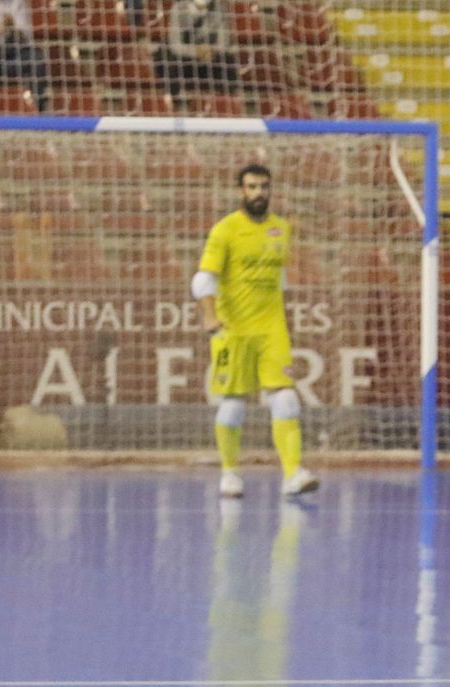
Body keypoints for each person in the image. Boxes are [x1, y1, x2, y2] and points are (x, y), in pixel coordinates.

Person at [193, 163, 319, 499]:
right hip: (233, 331)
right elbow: (204, 278)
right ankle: (230, 474)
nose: (258, 193)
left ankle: (293, 474)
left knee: (287, 399)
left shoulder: (281, 228)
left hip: (272, 329)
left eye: (263, 186)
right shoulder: (225, 230)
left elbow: (278, 278)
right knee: (233, 404)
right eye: (251, 187)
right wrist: (209, 317)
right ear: (241, 191)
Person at [153, 0, 239, 108]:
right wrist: (195, 51)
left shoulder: (220, 10)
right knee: (171, 61)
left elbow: (223, 44)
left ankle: (226, 104)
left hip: (210, 59)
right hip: (185, 61)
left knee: (228, 62)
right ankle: (174, 102)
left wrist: (208, 50)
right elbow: (175, 45)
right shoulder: (178, 9)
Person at [0, 0, 49, 111]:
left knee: (36, 59)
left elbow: (25, 35)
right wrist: (0, 30)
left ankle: (39, 108)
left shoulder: (19, 3)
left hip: (16, 52)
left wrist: (11, 28)